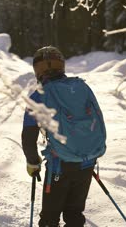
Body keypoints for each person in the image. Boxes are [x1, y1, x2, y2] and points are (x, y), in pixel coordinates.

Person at [22, 46, 106, 227]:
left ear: (37, 71)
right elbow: (96, 119)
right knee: (74, 213)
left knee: (50, 218)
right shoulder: (82, 87)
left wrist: (33, 163)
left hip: (60, 166)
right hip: (87, 162)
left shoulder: (37, 97)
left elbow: (28, 138)